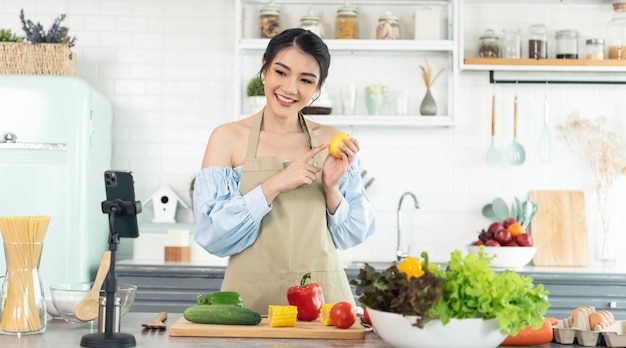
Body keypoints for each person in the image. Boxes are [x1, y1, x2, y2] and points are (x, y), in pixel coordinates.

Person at [193, 28, 375, 314]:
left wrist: (331, 188)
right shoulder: (227, 138)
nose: (290, 88)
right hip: (249, 305)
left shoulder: (332, 141)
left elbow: (353, 234)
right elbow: (212, 235)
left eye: (306, 80)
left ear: (317, 88)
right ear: (265, 68)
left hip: (323, 303)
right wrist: (274, 185)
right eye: (281, 72)